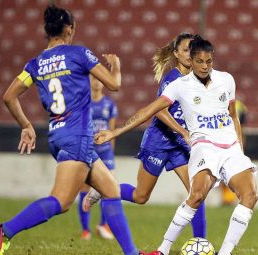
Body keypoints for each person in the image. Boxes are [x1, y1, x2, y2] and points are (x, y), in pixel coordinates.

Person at [0, 5, 149, 255]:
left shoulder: (36, 64)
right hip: (78, 137)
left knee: (111, 190)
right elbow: (114, 85)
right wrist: (116, 66)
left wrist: (26, 125)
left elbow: (9, 97)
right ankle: (4, 230)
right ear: (69, 29)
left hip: (58, 136)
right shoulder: (79, 54)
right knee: (61, 202)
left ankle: (132, 253)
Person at [94, 35, 258, 255]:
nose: (203, 65)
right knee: (149, 196)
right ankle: (160, 246)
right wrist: (115, 131)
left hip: (224, 148)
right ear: (188, 58)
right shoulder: (178, 84)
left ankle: (217, 250)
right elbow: (149, 111)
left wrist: (239, 149)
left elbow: (232, 115)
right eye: (198, 60)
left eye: (208, 61)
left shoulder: (226, 80)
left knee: (250, 196)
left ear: (212, 59)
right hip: (176, 144)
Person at [83, 33, 207, 238]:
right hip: (158, 142)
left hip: (179, 145)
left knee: (197, 194)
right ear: (176, 53)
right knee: (141, 196)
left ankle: (201, 243)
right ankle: (104, 189)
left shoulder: (197, 81)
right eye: (185, 50)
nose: (189, 54)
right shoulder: (172, 79)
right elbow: (158, 111)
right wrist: (183, 131)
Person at [78, 75, 118, 240]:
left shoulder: (109, 105)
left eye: (99, 79)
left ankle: (103, 225)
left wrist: (111, 151)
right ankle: (85, 230)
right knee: (84, 189)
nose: (96, 82)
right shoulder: (83, 103)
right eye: (93, 79)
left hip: (105, 152)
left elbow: (112, 131)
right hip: (88, 151)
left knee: (107, 189)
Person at [220, 98, 248, 206]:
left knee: (230, 172)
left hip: (230, 142)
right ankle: (228, 198)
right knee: (224, 172)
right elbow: (243, 129)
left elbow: (241, 128)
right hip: (227, 141)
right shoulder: (241, 106)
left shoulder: (239, 106)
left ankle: (231, 197)